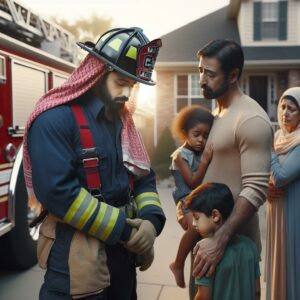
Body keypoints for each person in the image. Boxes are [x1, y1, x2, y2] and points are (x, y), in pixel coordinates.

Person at [23, 27, 166, 300]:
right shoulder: (55, 121)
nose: (127, 92)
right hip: (74, 260)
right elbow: (59, 193)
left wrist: (150, 222)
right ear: (98, 71)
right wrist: (127, 230)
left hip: (124, 256)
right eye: (121, 82)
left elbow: (143, 178)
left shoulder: (125, 123)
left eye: (132, 85)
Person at [189, 39, 273, 283]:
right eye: (200, 70)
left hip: (234, 250)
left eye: (210, 74)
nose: (201, 80)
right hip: (206, 244)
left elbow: (255, 189)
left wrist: (220, 239)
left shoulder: (250, 119)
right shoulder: (215, 115)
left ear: (233, 75)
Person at [186, 182, 261, 300]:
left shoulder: (206, 254)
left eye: (196, 218)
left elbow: (204, 297)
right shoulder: (251, 246)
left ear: (215, 215)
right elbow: (256, 291)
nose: (193, 224)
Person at [169, 105, 214, 288]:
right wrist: (205, 161)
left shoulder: (200, 151)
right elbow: (192, 182)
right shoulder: (180, 155)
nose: (201, 140)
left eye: (205, 136)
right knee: (194, 230)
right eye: (197, 134)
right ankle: (177, 264)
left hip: (199, 200)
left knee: (202, 233)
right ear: (184, 132)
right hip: (186, 199)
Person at [266, 87, 300, 300]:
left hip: (293, 212)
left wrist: (267, 147)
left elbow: (280, 176)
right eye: (283, 107)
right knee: (277, 260)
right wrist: (265, 187)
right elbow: (267, 176)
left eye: (292, 109)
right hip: (275, 210)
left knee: (290, 262)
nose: (285, 113)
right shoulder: (278, 136)